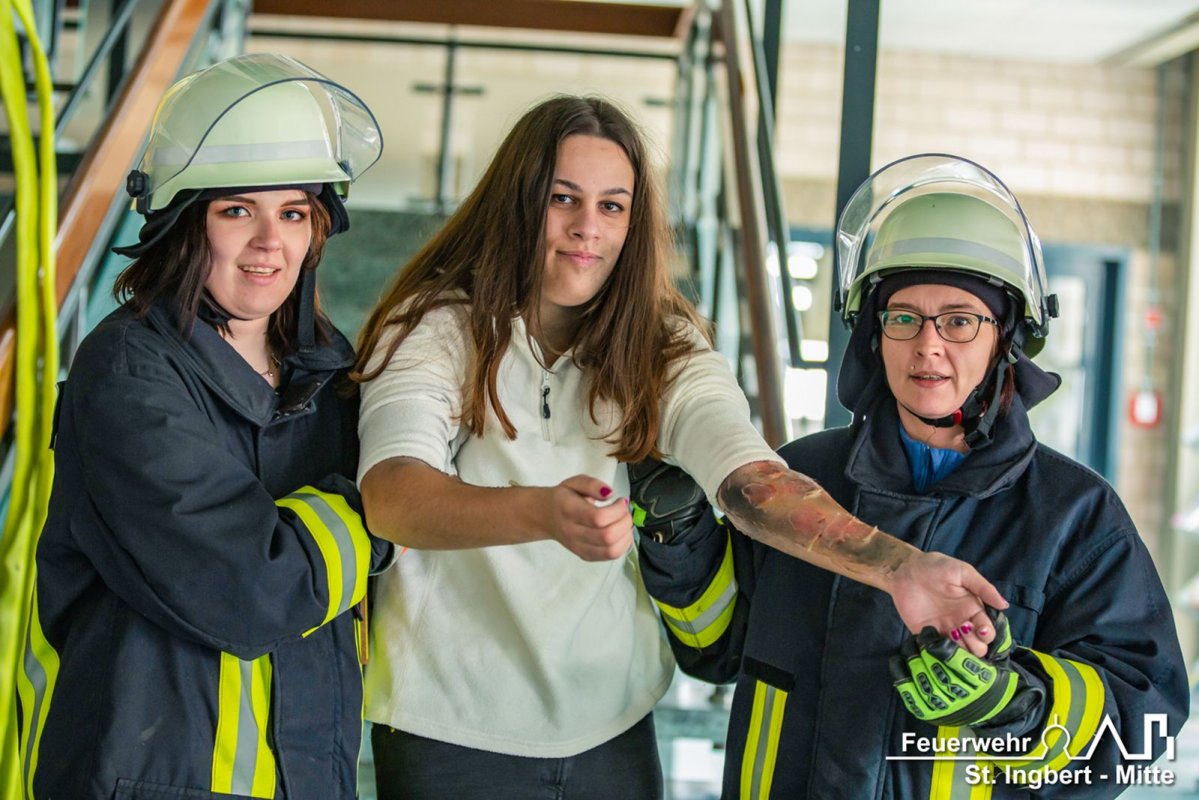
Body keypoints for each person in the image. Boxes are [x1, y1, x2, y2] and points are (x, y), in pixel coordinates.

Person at [353, 100, 1008, 799]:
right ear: (516, 202)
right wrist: (540, 513)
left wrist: (899, 568)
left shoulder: (660, 342)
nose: (587, 228)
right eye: (562, 199)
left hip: (610, 724)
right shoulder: (434, 327)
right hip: (449, 727)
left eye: (613, 206)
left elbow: (750, 480)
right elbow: (394, 495)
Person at [634, 154, 1191, 798]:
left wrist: (1014, 707)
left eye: (959, 320)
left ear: (1002, 337)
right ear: (875, 334)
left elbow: (1143, 721)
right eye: (903, 317)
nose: (928, 345)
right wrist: (681, 538)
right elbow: (713, 647)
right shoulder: (802, 477)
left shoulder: (1074, 516)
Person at [17, 53, 393, 799]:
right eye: (236, 210)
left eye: (293, 212)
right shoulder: (128, 372)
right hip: (150, 779)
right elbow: (251, 589)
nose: (269, 242)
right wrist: (388, 507)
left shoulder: (328, 376)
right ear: (184, 224)